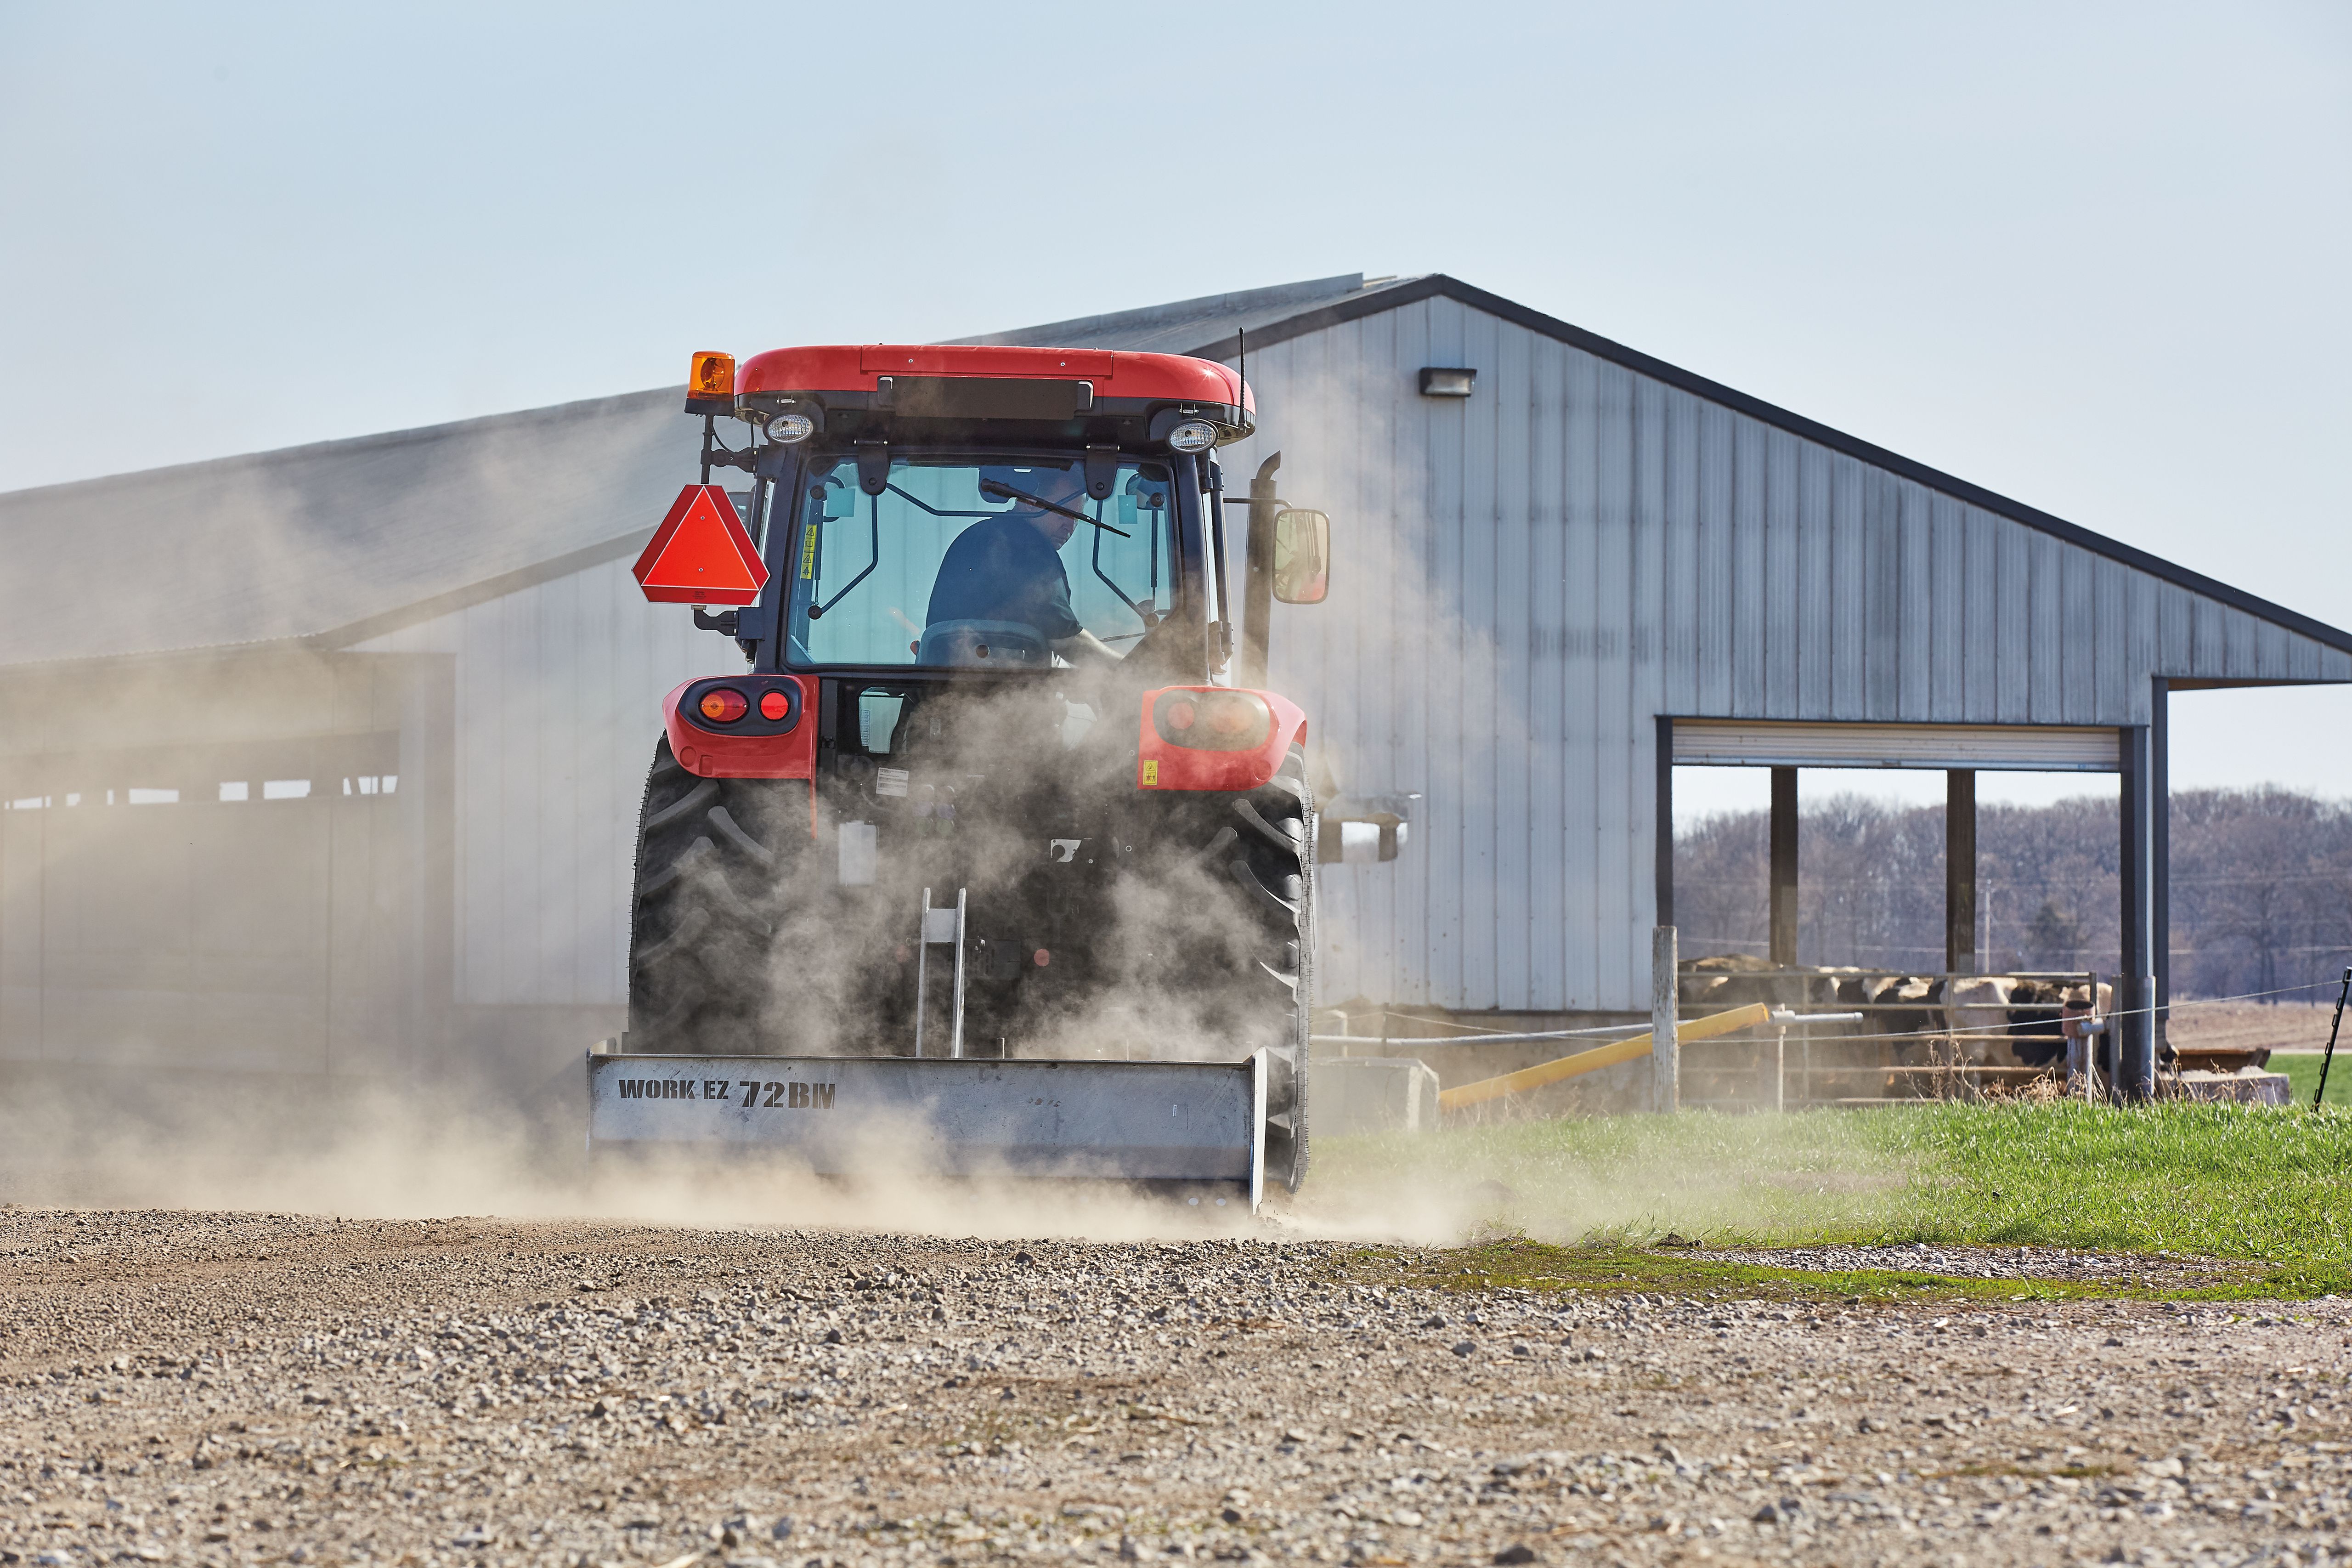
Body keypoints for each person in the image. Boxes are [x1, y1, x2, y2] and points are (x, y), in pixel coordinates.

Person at [925, 466, 1122, 664]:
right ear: (1030, 503)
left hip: (936, 686)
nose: (1070, 527)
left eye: (1077, 518)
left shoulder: (974, 537)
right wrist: (1128, 670)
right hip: (993, 688)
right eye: (1064, 513)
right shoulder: (1029, 548)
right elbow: (1065, 639)